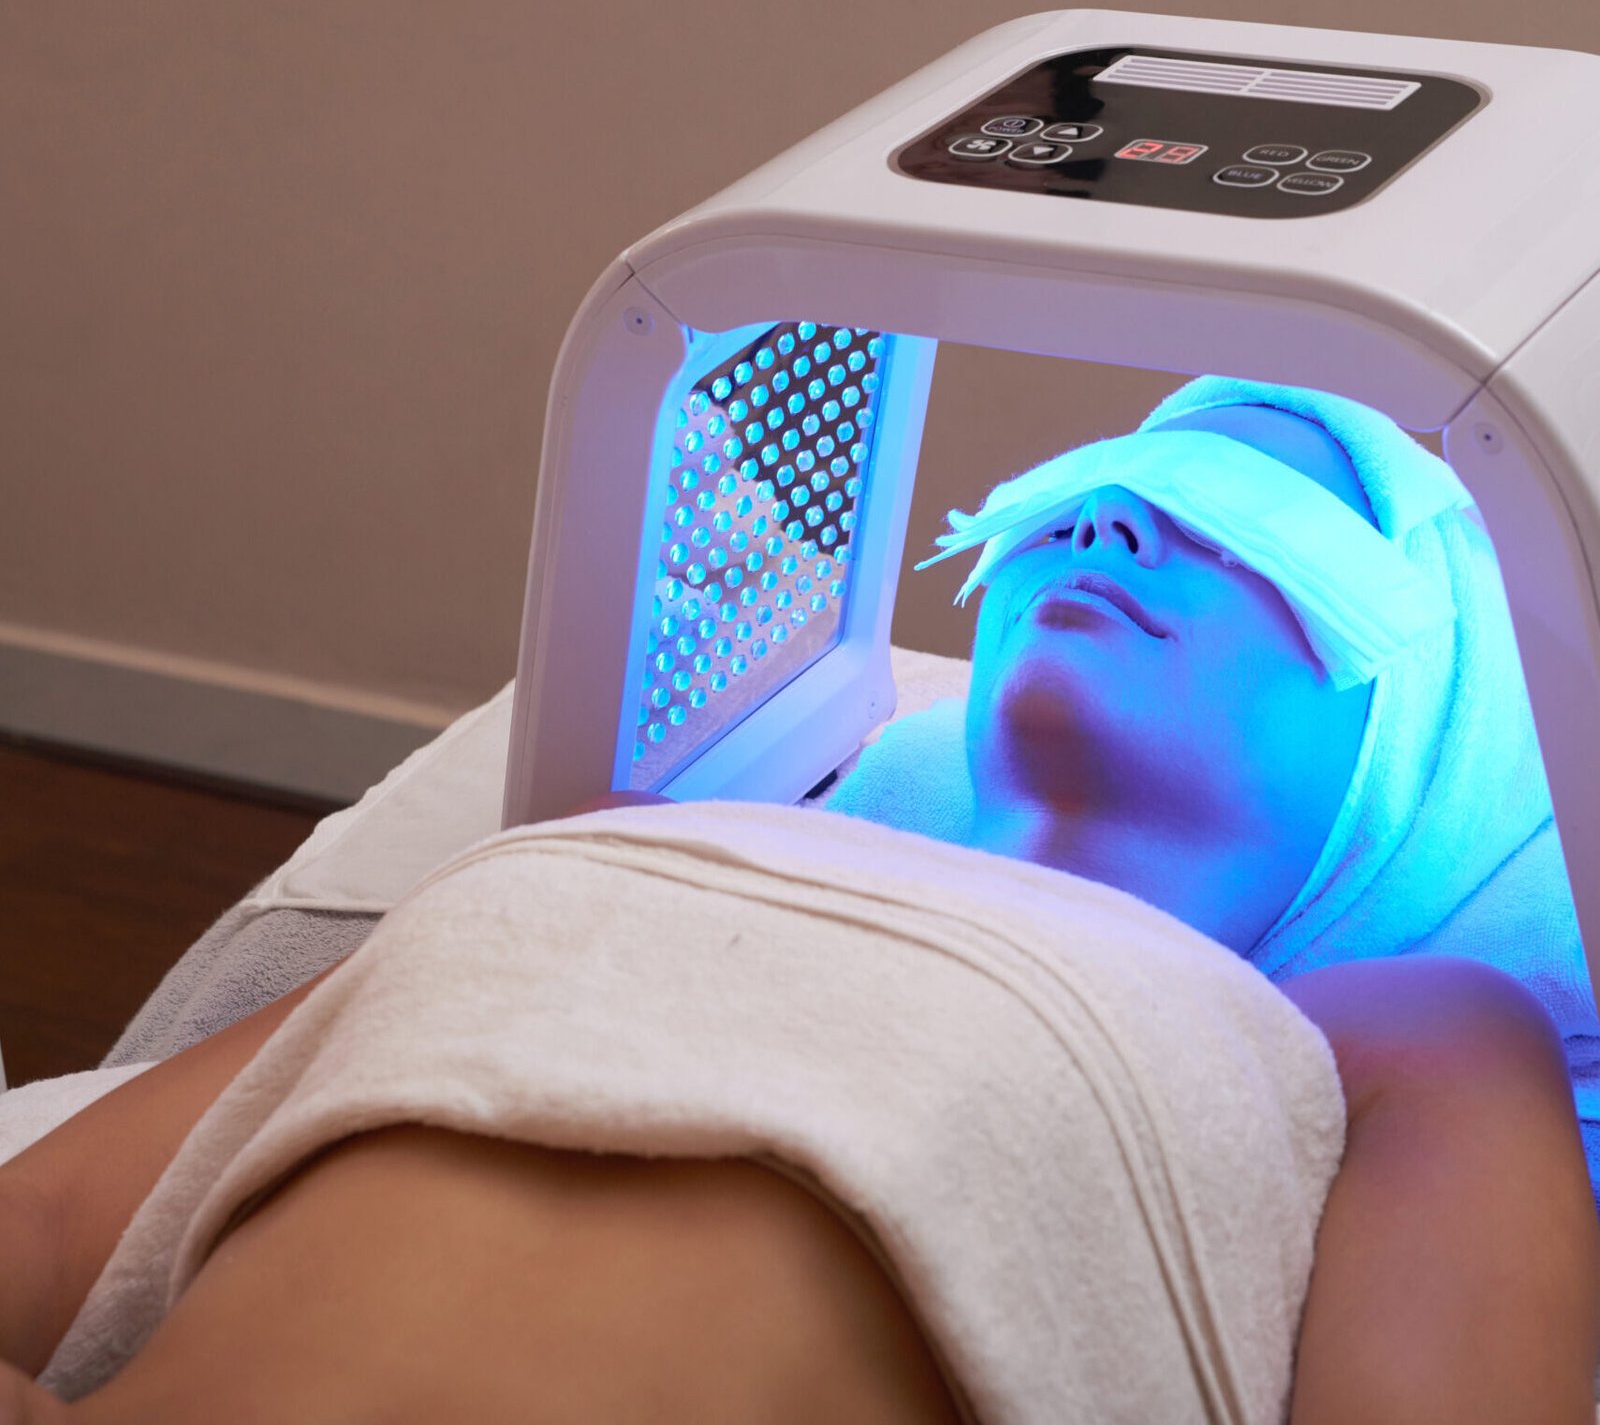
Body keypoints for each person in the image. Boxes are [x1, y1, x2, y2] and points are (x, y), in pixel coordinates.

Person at [2, 379, 1598, 1423]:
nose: (1108, 519)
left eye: (1246, 520)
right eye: (1084, 499)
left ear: (1435, 726)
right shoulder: (628, 854)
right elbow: (48, 1224)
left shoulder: (1397, 1028)